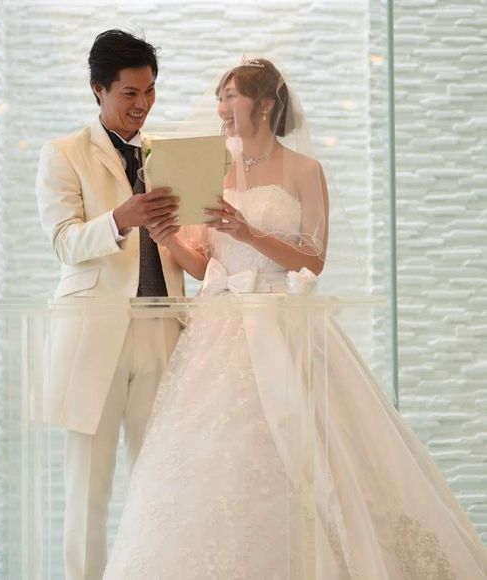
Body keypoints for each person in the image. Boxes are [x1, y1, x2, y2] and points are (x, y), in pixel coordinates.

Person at [102, 59, 487, 579]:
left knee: (315, 446)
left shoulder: (304, 170)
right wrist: (168, 236)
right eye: (219, 97)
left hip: (283, 321)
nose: (221, 108)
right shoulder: (214, 168)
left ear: (265, 104)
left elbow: (314, 259)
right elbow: (203, 264)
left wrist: (248, 232)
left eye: (231, 96)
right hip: (220, 328)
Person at [35, 29, 184, 580]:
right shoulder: (63, 154)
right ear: (98, 89)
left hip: (162, 328)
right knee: (88, 492)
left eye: (150, 91)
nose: (143, 104)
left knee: (158, 487)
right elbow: (63, 242)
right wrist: (122, 219)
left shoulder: (169, 153)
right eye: (129, 93)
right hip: (95, 336)